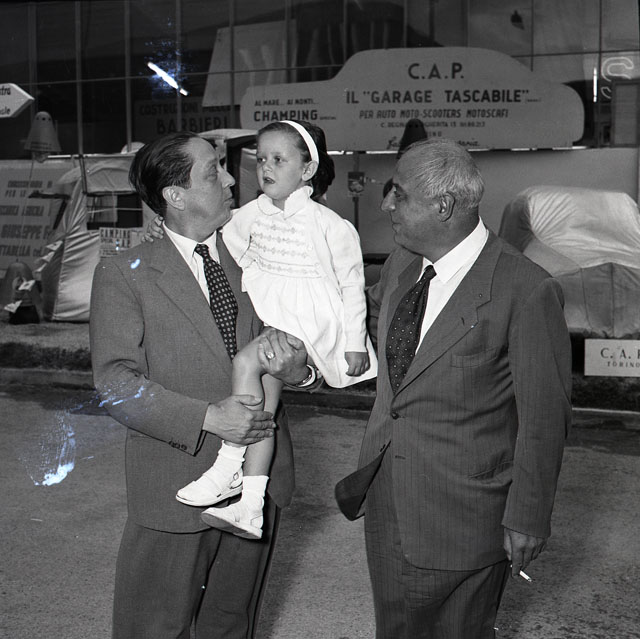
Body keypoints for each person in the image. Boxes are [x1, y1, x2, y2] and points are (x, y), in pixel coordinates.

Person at [335, 138, 572, 639]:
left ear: (443, 206)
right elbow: (368, 336)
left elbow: (544, 419)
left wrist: (528, 517)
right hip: (388, 499)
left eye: (399, 193)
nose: (387, 204)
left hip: (465, 516)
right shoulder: (402, 265)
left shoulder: (525, 289)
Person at [90, 130, 313, 639]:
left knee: (231, 626)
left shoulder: (259, 258)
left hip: (258, 485)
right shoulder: (125, 274)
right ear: (175, 194)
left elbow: (302, 345)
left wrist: (301, 372)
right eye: (214, 172)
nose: (232, 180)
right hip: (174, 487)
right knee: (154, 629)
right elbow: (115, 381)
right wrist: (209, 418)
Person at [145, 120, 377, 540]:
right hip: (276, 317)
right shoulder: (250, 215)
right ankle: (250, 504)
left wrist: (354, 342)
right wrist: (162, 227)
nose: (266, 168)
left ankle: (227, 465)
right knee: (262, 410)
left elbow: (351, 285)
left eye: (279, 160)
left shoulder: (330, 224)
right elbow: (217, 237)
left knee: (246, 362)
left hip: (308, 320)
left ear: (307, 170)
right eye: (262, 159)